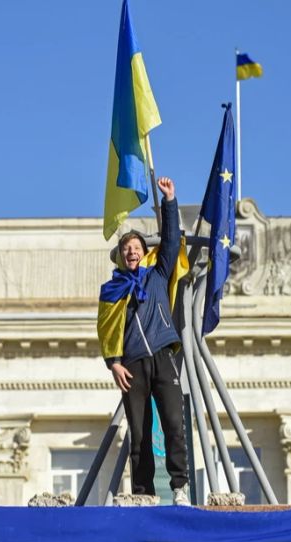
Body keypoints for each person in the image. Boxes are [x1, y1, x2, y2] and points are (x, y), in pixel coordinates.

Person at [97, 176, 190, 506]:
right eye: (126, 249)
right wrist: (114, 363)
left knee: (173, 424)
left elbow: (169, 242)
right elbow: (106, 329)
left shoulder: (157, 275)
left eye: (136, 248)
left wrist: (170, 201)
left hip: (163, 357)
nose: (132, 252)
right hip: (132, 365)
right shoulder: (111, 291)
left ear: (144, 254)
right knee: (139, 433)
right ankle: (143, 493)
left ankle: (180, 486)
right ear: (120, 257)